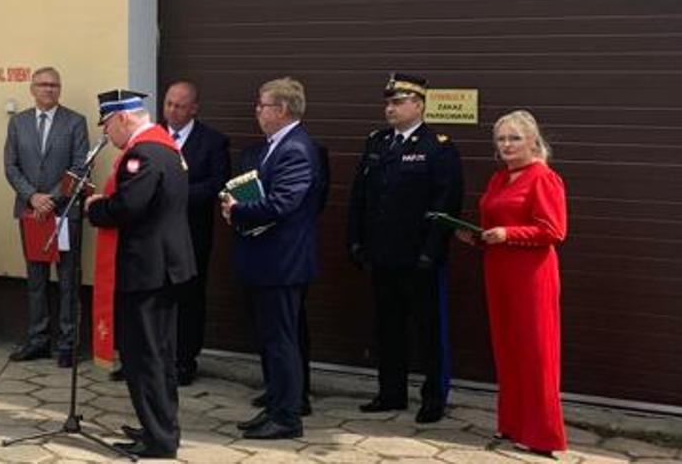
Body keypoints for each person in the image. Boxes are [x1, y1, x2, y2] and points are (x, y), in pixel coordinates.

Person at [83, 88, 194, 460]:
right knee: (158, 355)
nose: (107, 135)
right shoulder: (165, 147)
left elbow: (128, 207)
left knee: (145, 357)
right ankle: (159, 425)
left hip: (147, 271)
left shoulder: (143, 154)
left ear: (123, 118)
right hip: (163, 268)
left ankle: (159, 438)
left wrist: (96, 208)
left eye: (108, 125)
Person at [349, 73, 464, 423]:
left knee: (429, 330)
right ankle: (391, 391)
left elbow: (447, 204)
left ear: (419, 105)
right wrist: (356, 241)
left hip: (419, 258)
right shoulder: (377, 143)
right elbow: (360, 198)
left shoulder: (438, 147)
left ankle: (434, 398)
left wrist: (432, 251)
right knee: (388, 328)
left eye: (398, 102)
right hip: (383, 255)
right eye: (388, 103)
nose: (391, 109)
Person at [458, 110, 567, 457]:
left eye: (514, 138)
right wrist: (476, 237)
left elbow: (554, 230)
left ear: (533, 141)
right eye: (501, 139)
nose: (506, 145)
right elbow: (494, 223)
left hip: (531, 275)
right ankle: (514, 423)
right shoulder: (499, 179)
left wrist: (508, 233)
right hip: (499, 270)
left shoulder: (543, 178)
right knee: (507, 349)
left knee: (536, 353)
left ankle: (542, 435)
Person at [221, 77, 324, 440]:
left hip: (282, 263)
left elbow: (283, 202)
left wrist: (239, 209)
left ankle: (287, 417)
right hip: (265, 261)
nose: (257, 111)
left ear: (281, 110)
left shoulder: (295, 148)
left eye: (262, 105)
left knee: (282, 341)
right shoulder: (274, 145)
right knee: (270, 340)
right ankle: (275, 406)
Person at [3, 66, 91, 368]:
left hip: (64, 211)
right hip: (30, 211)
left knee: (67, 278)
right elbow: (11, 165)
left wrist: (51, 198)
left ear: (60, 89)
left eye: (54, 84)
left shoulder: (75, 122)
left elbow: (80, 167)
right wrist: (32, 197)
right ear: (32, 89)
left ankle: (68, 343)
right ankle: (37, 339)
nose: (49, 89)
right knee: (36, 278)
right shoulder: (19, 123)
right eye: (43, 84)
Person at [162, 80, 230, 385]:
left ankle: (185, 360)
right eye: (168, 104)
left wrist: (175, 193)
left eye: (179, 105)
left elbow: (217, 184)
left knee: (189, 298)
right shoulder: (152, 137)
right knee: (154, 297)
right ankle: (151, 357)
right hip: (153, 236)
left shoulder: (213, 141)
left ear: (194, 108)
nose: (172, 111)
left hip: (191, 235)